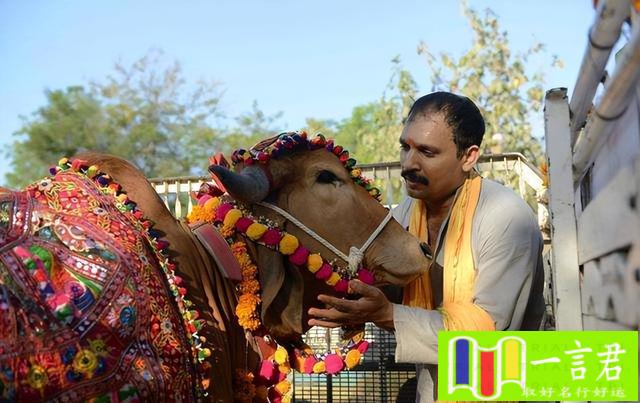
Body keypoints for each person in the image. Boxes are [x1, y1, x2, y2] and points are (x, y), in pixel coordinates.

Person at [308, 91, 545, 403]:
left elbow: (488, 331)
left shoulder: (505, 216)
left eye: (427, 153)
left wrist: (387, 314)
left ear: (468, 156)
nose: (408, 164)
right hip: (431, 389)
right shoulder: (404, 215)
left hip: (503, 388)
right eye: (405, 147)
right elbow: (385, 283)